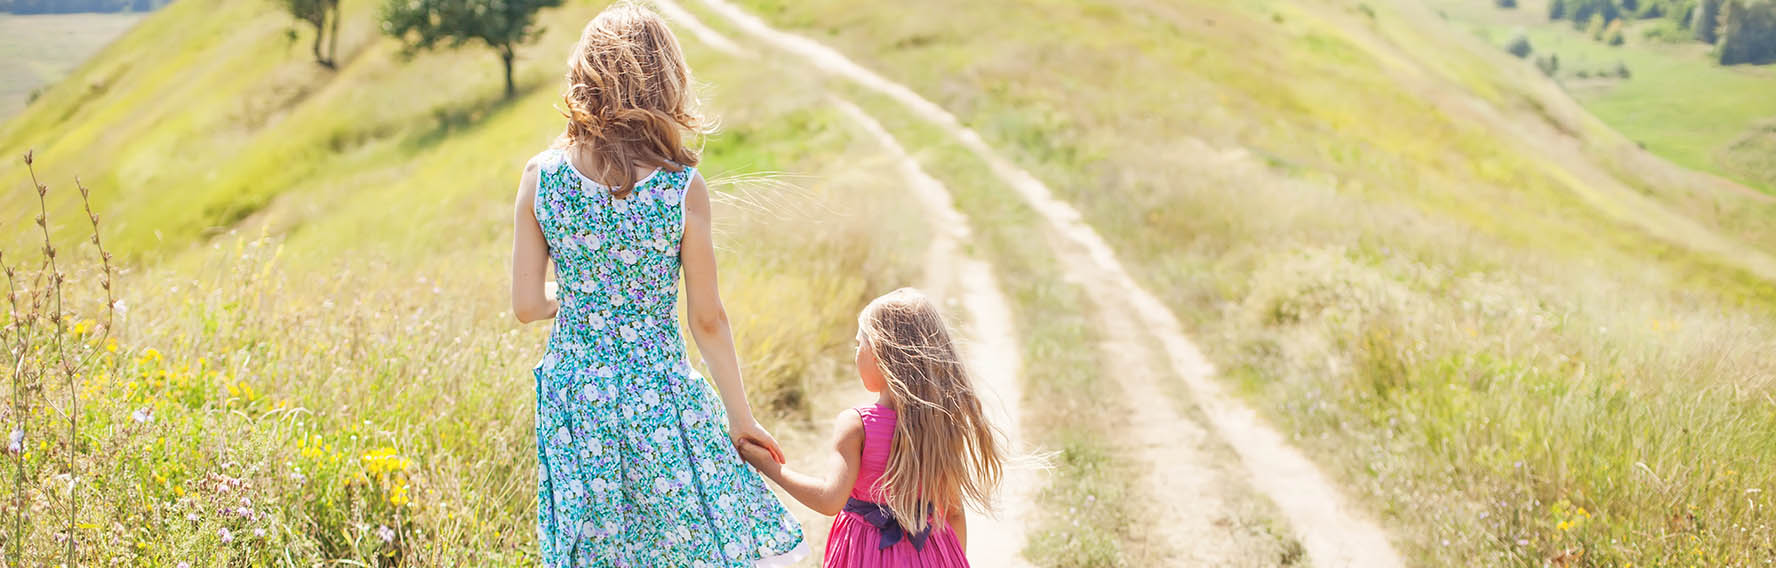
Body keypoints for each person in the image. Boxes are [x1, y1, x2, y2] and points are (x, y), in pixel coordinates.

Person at [509, 3, 805, 565]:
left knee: (593, 550)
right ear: (665, 80)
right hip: (660, 394)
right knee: (682, 546)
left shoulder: (539, 177)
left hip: (575, 401)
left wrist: (581, 301)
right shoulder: (681, 187)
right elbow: (707, 319)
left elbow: (526, 305)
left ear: (585, 76)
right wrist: (741, 417)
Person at [738, 288, 1005, 567]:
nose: (856, 354)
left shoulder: (857, 424)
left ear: (878, 351)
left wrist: (771, 467)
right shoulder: (941, 423)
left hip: (866, 556)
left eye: (859, 343)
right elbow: (954, 513)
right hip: (930, 554)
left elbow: (830, 500)